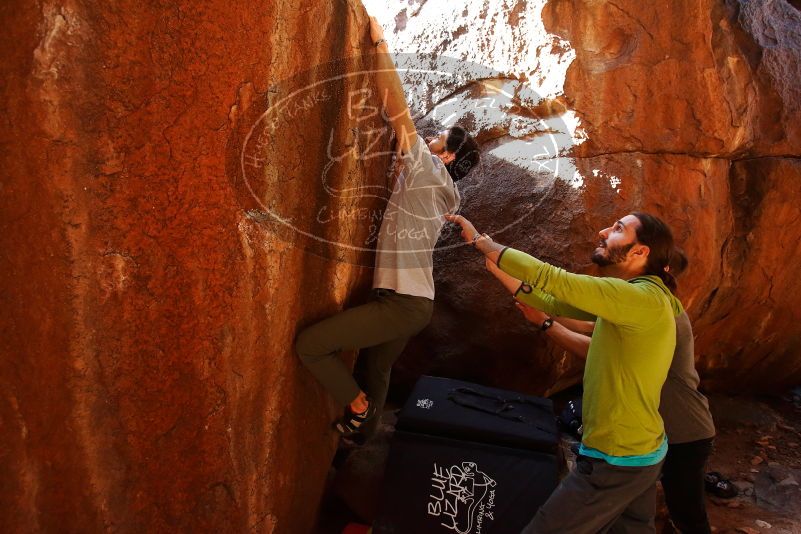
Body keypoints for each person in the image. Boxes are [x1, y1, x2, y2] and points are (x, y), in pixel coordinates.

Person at [295, 17, 480, 439]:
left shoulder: (428, 171)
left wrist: (380, 46)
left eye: (440, 138)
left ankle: (357, 407)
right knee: (377, 366)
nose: (431, 137)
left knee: (312, 345)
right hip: (417, 305)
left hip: (401, 304)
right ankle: (362, 439)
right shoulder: (445, 190)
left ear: (448, 157)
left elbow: (396, 108)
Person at [446, 212, 680, 533]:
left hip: (615, 460)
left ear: (641, 252)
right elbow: (553, 301)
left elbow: (554, 279)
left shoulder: (639, 298)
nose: (603, 231)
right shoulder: (638, 295)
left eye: (618, 229)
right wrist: (499, 269)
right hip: (642, 455)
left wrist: (481, 242)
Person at [488, 247, 715, 533]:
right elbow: (590, 330)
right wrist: (542, 315)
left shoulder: (659, 310)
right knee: (634, 523)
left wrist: (545, 318)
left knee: (687, 517)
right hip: (649, 439)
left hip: (683, 431)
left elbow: (585, 334)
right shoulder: (635, 306)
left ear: (662, 270)